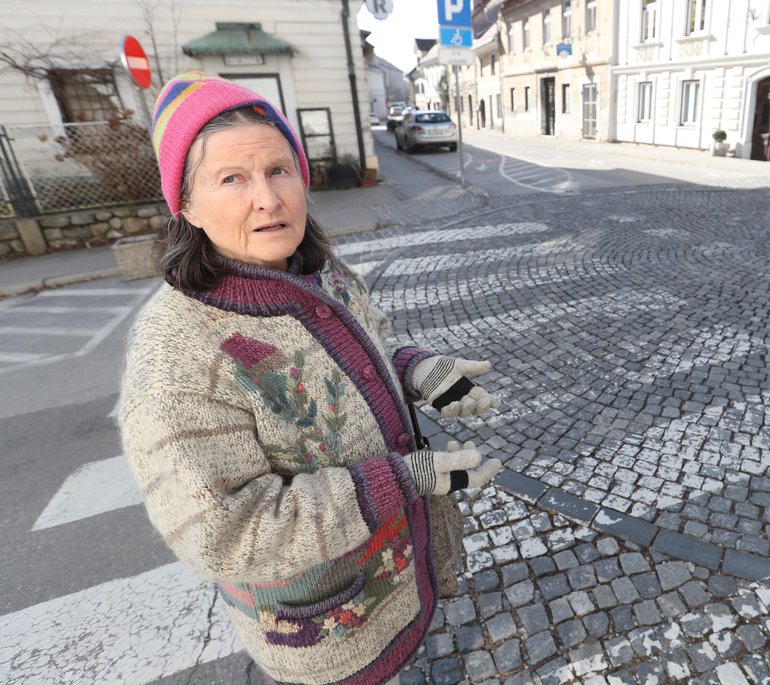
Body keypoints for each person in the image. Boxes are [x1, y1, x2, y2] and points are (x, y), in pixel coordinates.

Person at [118, 72, 503, 685]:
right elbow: (224, 531)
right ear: (185, 204)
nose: (267, 198)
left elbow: (365, 347)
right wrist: (406, 479)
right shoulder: (175, 351)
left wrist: (416, 371)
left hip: (399, 588)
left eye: (279, 170)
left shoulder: (319, 270)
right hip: (329, 641)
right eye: (232, 179)